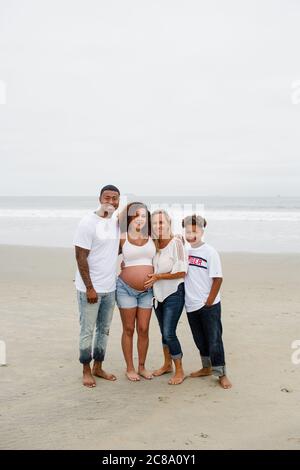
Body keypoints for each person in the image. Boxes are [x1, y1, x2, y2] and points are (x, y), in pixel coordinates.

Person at [74, 185, 120, 388]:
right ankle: (86, 369)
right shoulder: (88, 222)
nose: (110, 201)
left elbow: (112, 250)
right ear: (100, 199)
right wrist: (90, 287)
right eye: (107, 197)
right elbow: (80, 256)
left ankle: (98, 367)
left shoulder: (116, 224)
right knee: (87, 330)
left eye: (115, 198)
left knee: (104, 330)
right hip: (90, 289)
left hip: (110, 288)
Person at [182, 214, 232, 389]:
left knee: (214, 339)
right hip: (191, 304)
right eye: (187, 231)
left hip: (208, 304)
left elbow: (218, 278)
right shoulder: (185, 251)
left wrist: (209, 301)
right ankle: (206, 367)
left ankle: (221, 374)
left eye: (194, 230)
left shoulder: (209, 252)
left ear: (202, 231)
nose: (191, 234)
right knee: (199, 339)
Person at [145, 210, 188, 385]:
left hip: (173, 294)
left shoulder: (176, 242)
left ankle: (179, 370)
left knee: (169, 333)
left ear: (169, 223)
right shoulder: (153, 245)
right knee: (164, 332)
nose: (158, 226)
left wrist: (158, 277)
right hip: (157, 296)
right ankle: (166, 364)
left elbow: (182, 271)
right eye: (155, 223)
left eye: (161, 222)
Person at [117, 202, 156, 381]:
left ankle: (141, 366)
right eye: (136, 215)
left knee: (143, 328)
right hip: (125, 289)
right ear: (130, 218)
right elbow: (105, 254)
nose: (140, 219)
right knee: (128, 328)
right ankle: (130, 367)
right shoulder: (122, 237)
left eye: (143, 216)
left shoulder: (152, 236)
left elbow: (166, 249)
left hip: (147, 291)